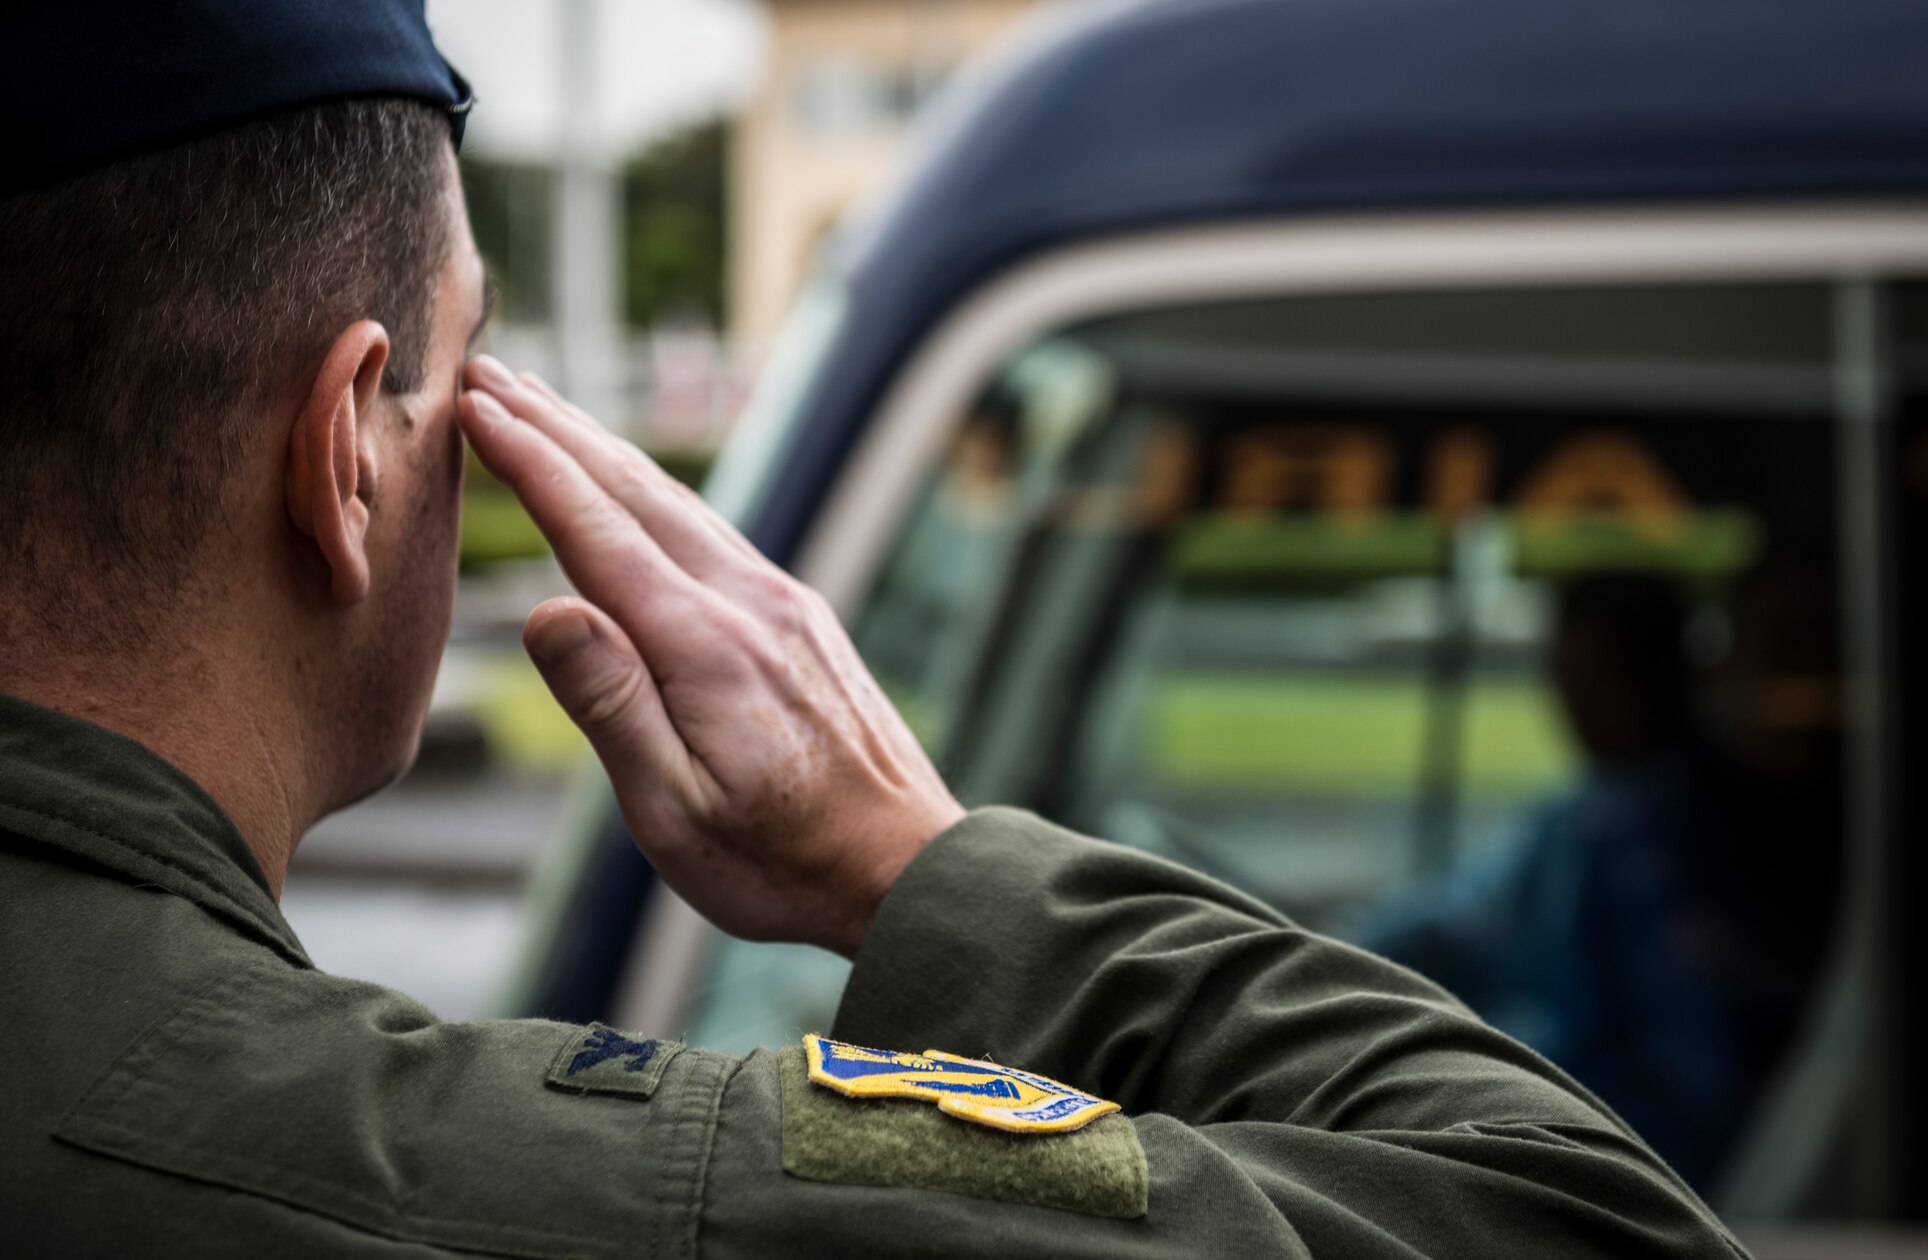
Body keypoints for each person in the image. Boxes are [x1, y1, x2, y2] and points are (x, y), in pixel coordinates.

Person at [0, 4, 1746, 1256]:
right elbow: (1586, 1218)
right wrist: (922, 866)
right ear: (344, 457)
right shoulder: (432, 1181)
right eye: (473, 373)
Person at [1358, 573, 1840, 1191]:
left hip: (1646, 1166)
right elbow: (1462, 923)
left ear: (1668, 674)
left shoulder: (1717, 833)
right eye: (1561, 681)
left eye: (1597, 682)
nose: (1574, 708)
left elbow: (1695, 1062)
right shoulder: (1584, 816)